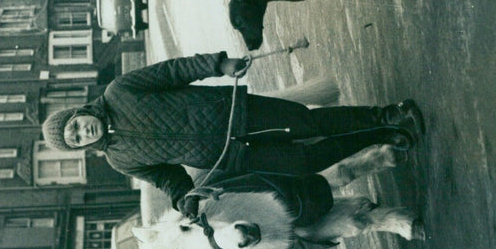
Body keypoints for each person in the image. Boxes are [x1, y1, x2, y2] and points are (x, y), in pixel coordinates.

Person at [40, 50, 425, 210]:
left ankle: (388, 114)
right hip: (232, 155)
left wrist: (219, 64)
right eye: (74, 140)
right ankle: (380, 138)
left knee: (311, 121)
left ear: (76, 113)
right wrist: (184, 200)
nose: (81, 132)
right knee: (306, 162)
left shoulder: (119, 91)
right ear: (80, 148)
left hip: (236, 112)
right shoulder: (120, 160)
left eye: (73, 126)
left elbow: (173, 71)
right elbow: (170, 179)